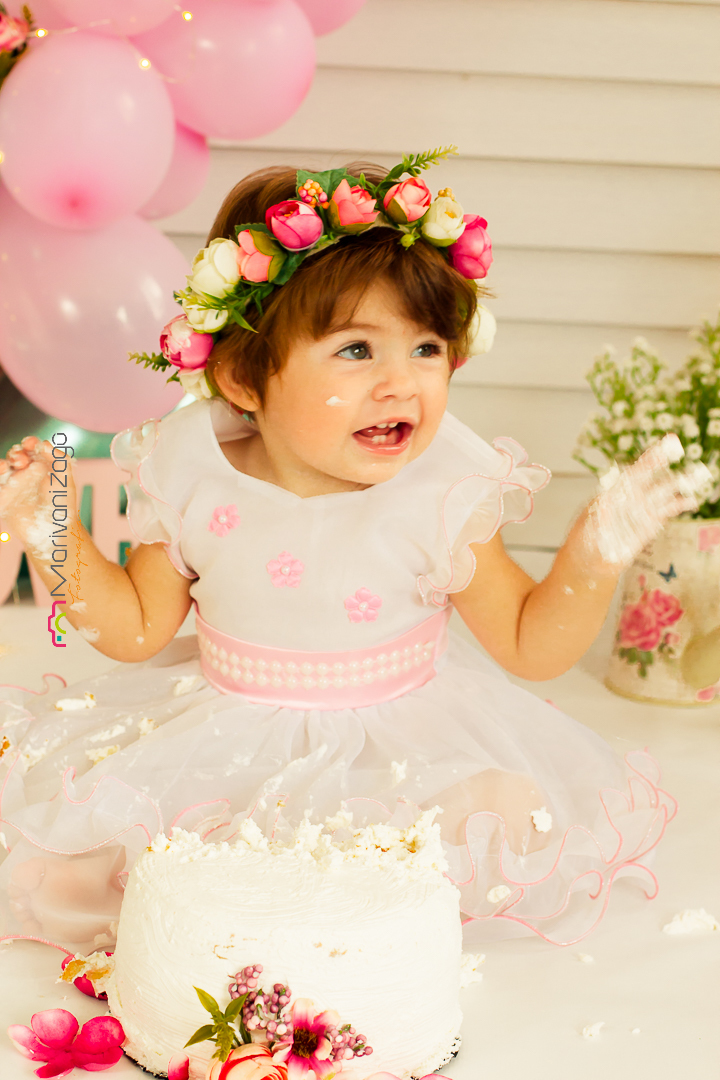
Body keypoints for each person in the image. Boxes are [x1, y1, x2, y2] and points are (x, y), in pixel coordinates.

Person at [0, 152, 707, 952]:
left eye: (427, 348)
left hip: (400, 751)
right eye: (358, 351)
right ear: (242, 377)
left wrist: (595, 552)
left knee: (480, 821)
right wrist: (49, 528)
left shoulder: (437, 493)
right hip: (232, 741)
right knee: (132, 862)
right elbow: (134, 630)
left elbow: (529, 645)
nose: (402, 383)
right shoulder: (197, 473)